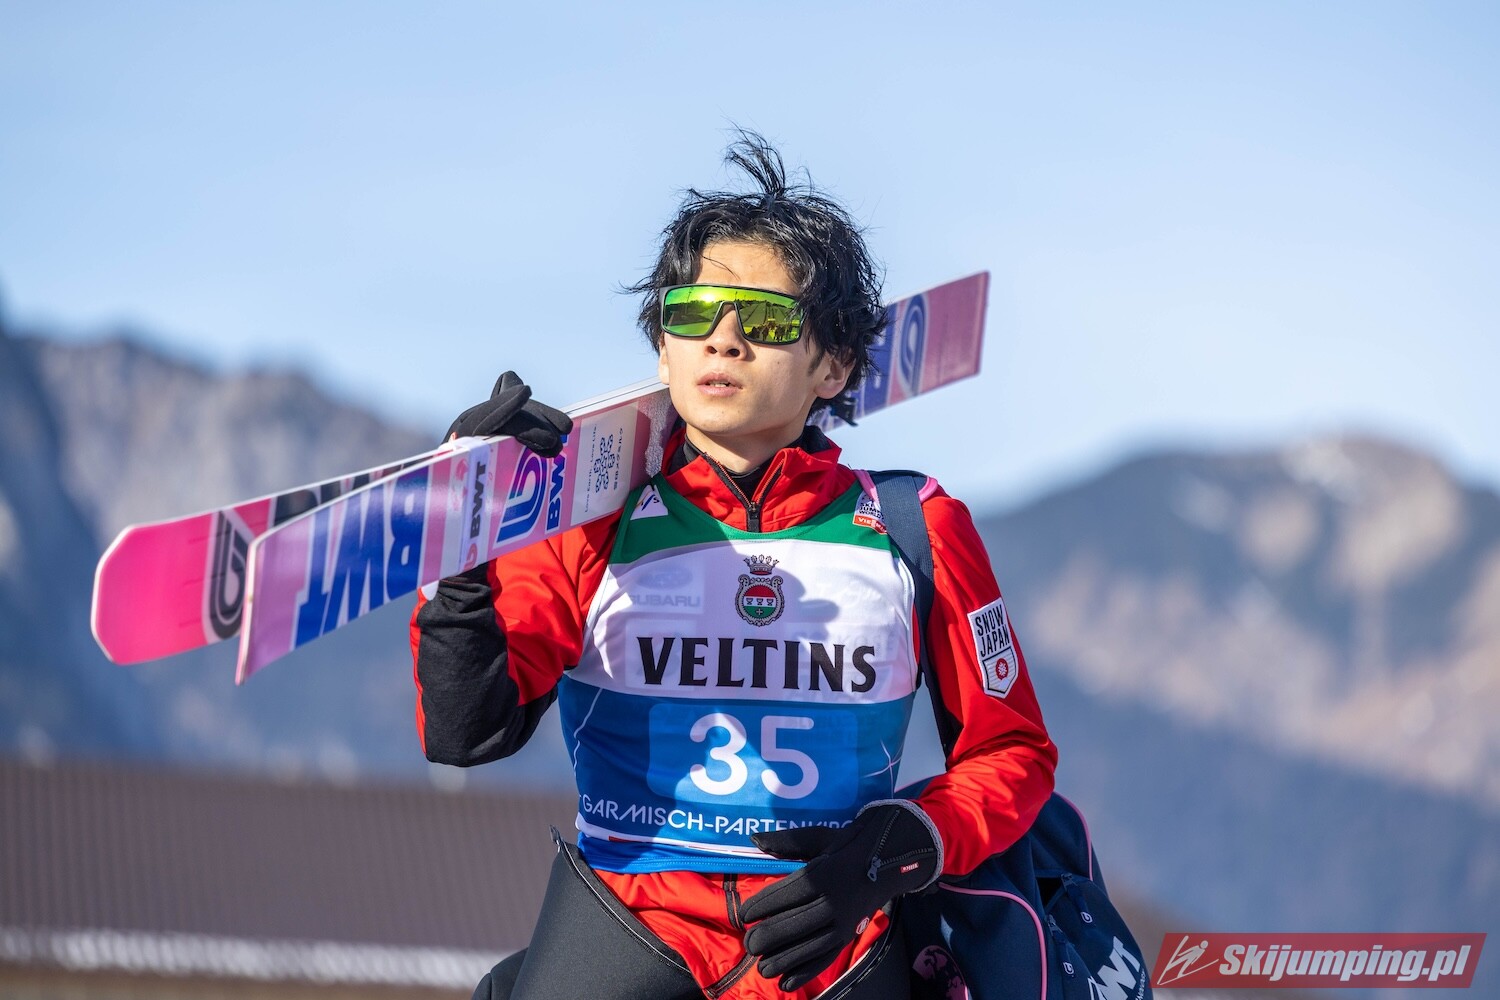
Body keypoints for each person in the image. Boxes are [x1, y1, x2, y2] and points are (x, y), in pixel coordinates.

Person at [409, 134, 1057, 1000]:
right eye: (692, 314)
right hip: (628, 939)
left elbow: (1012, 752)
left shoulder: (915, 524)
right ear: (662, 349)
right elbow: (465, 731)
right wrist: (463, 534)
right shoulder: (592, 524)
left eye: (767, 322)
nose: (724, 341)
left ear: (833, 366)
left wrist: (890, 850)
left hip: (832, 951)